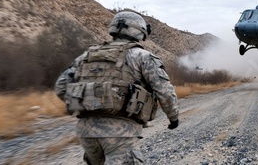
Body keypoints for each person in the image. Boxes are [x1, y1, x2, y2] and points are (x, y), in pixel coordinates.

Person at [55, 10, 179, 164]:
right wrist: (173, 118)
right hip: (120, 132)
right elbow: (165, 92)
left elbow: (61, 86)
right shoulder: (142, 57)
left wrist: (85, 102)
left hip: (85, 131)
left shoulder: (87, 55)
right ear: (139, 31)